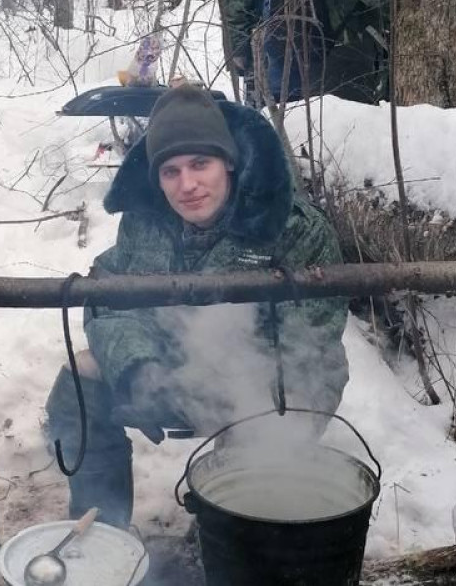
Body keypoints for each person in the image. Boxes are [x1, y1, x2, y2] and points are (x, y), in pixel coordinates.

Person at [44, 85, 350, 528]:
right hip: (168, 370)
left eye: (200, 164)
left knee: (248, 477)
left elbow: (312, 341)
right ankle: (104, 528)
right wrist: (139, 368)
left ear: (229, 161)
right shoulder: (145, 220)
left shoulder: (291, 227)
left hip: (269, 385)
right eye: (170, 171)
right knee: (78, 385)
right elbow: (110, 299)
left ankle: (233, 528)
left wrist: (216, 380)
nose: (187, 185)